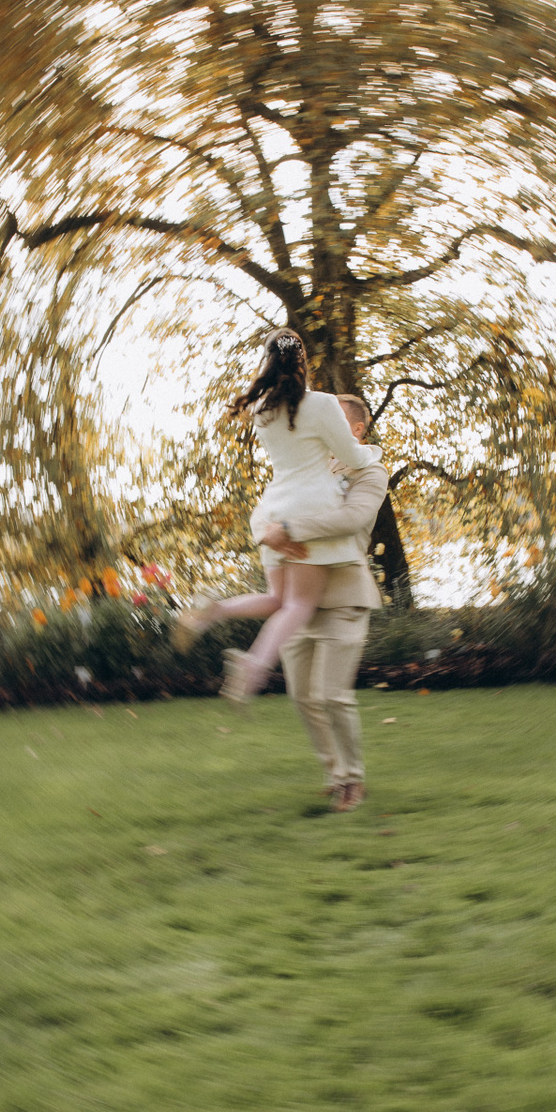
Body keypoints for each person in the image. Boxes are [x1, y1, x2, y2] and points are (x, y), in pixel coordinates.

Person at [174, 328, 381, 711]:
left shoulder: (262, 410)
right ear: (303, 362)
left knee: (279, 599)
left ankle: (214, 610)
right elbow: (352, 457)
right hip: (309, 508)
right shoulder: (323, 404)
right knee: (299, 605)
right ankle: (253, 665)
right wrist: (374, 454)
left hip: (272, 510)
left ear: (268, 362)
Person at [257, 394, 387, 811]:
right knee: (303, 698)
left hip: (345, 595)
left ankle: (352, 780)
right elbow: (271, 510)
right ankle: (335, 775)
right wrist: (271, 530)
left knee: (331, 694)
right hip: (299, 599)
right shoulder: (309, 467)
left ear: (357, 430)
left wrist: (290, 528)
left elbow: (352, 519)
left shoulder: (371, 471)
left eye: (333, 419)